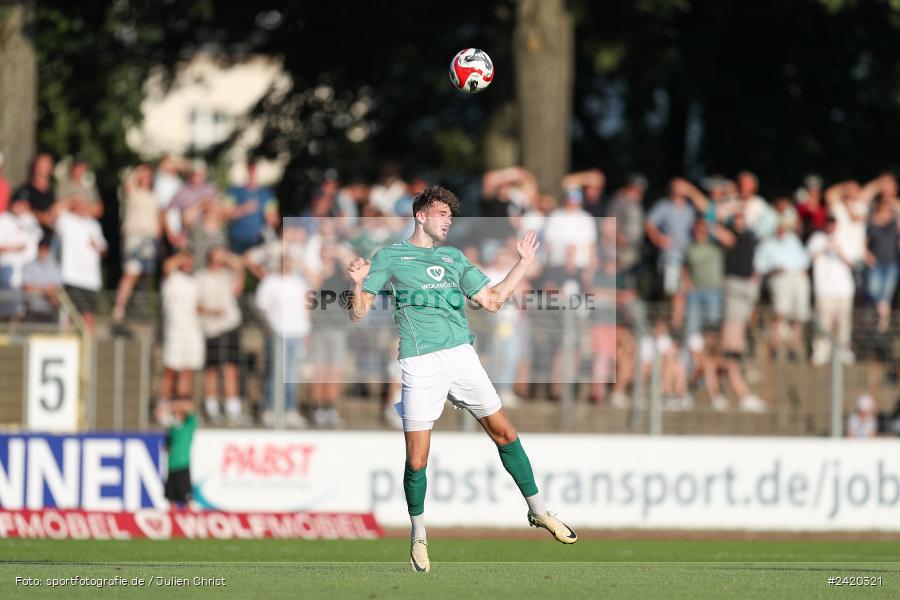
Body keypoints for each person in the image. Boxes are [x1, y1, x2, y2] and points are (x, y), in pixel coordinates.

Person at [347, 185, 577, 574]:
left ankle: (538, 511)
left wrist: (521, 263)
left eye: (451, 216)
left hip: (461, 357)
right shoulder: (389, 256)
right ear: (421, 216)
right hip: (420, 363)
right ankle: (418, 534)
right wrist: (357, 283)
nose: (448, 221)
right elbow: (358, 313)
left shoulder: (454, 257)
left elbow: (492, 300)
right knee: (417, 458)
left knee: (505, 432)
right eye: (442, 214)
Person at [716, 211, 765, 412]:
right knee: (732, 343)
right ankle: (737, 390)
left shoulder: (751, 237)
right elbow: (711, 221)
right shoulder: (727, 234)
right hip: (734, 288)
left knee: (739, 333)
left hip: (746, 288)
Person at [255, 256, 311, 428]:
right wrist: (270, 329)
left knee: (292, 374)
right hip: (277, 333)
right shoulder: (270, 282)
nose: (287, 265)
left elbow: (306, 307)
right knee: (275, 372)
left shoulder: (299, 282)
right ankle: (270, 409)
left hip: (297, 333)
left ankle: (290, 409)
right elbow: (261, 306)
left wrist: (307, 332)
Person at [196, 246, 246, 425]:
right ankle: (211, 407)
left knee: (231, 368)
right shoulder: (200, 277)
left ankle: (233, 409)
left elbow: (240, 266)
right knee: (211, 370)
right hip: (210, 328)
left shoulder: (227, 274)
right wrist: (210, 311)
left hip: (230, 326)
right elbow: (195, 305)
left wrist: (226, 256)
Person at [645, 178, 701, 329]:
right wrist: (658, 238)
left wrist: (691, 191)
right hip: (670, 256)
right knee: (672, 292)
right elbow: (649, 223)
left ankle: (673, 328)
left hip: (688, 258)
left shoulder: (690, 208)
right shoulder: (664, 206)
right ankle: (668, 329)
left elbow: (708, 210)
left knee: (682, 294)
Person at [753, 216, 811, 360]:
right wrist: (774, 270)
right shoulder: (767, 243)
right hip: (780, 278)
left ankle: (793, 347)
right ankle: (776, 347)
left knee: (799, 315)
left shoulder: (793, 240)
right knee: (781, 313)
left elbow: (804, 260)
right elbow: (760, 266)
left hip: (798, 278)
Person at [111, 164, 161, 329]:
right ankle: (119, 308)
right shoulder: (133, 193)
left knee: (145, 275)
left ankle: (139, 309)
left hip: (149, 238)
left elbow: (157, 218)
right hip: (135, 236)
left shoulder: (153, 196)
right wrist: (137, 172)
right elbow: (127, 187)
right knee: (131, 273)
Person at [158, 251, 204, 425]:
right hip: (175, 329)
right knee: (171, 369)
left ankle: (181, 409)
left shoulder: (194, 282)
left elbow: (197, 306)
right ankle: (163, 406)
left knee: (187, 370)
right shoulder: (173, 278)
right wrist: (182, 255)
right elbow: (167, 266)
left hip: (192, 330)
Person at [52, 197, 107, 332]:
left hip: (91, 280)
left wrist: (97, 247)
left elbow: (104, 250)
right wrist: (70, 201)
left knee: (89, 317)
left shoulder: (94, 225)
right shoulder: (66, 220)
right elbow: (53, 213)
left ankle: (88, 349)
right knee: (71, 315)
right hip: (71, 277)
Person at [808, 216, 856, 366]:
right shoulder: (817, 239)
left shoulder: (845, 239)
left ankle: (844, 350)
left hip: (844, 289)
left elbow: (852, 263)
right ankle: (821, 351)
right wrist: (825, 247)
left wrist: (839, 250)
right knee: (823, 320)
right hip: (824, 289)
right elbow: (809, 258)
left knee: (844, 321)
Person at [224, 159, 279, 253]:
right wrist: (243, 209)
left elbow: (274, 219)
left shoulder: (267, 194)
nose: (252, 173)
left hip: (257, 242)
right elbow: (224, 214)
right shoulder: (234, 191)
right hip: (237, 240)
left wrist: (271, 220)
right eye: (250, 170)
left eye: (255, 170)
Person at [0, 196, 42, 319]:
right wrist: (15, 248)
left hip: (28, 269)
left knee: (28, 305)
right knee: (11, 304)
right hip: (8, 267)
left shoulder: (30, 219)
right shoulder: (3, 219)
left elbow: (37, 237)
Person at [865, 196, 900, 331]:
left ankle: (882, 326)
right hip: (876, 265)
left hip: (891, 265)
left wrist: (891, 201)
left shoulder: (894, 224)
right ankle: (876, 322)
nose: (887, 214)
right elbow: (865, 243)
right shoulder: (872, 225)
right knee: (874, 293)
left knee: (885, 297)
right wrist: (868, 256)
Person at [163, 398, 197, 509]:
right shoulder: (173, 428)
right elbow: (168, 445)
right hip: (171, 466)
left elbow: (192, 411)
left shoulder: (188, 426)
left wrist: (177, 405)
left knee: (186, 498)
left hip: (182, 465)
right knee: (171, 498)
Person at [13, 153, 56, 241]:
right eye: (41, 165)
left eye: (46, 165)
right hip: (29, 244)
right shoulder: (23, 192)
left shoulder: (53, 194)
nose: (43, 168)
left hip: (51, 245)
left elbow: (52, 219)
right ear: (35, 167)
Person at [21, 236, 63, 323]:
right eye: (42, 248)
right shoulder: (28, 266)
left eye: (46, 249)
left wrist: (39, 289)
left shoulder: (55, 267)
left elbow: (58, 290)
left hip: (50, 311)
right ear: (38, 248)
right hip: (32, 311)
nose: (43, 251)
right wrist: (45, 291)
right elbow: (26, 288)